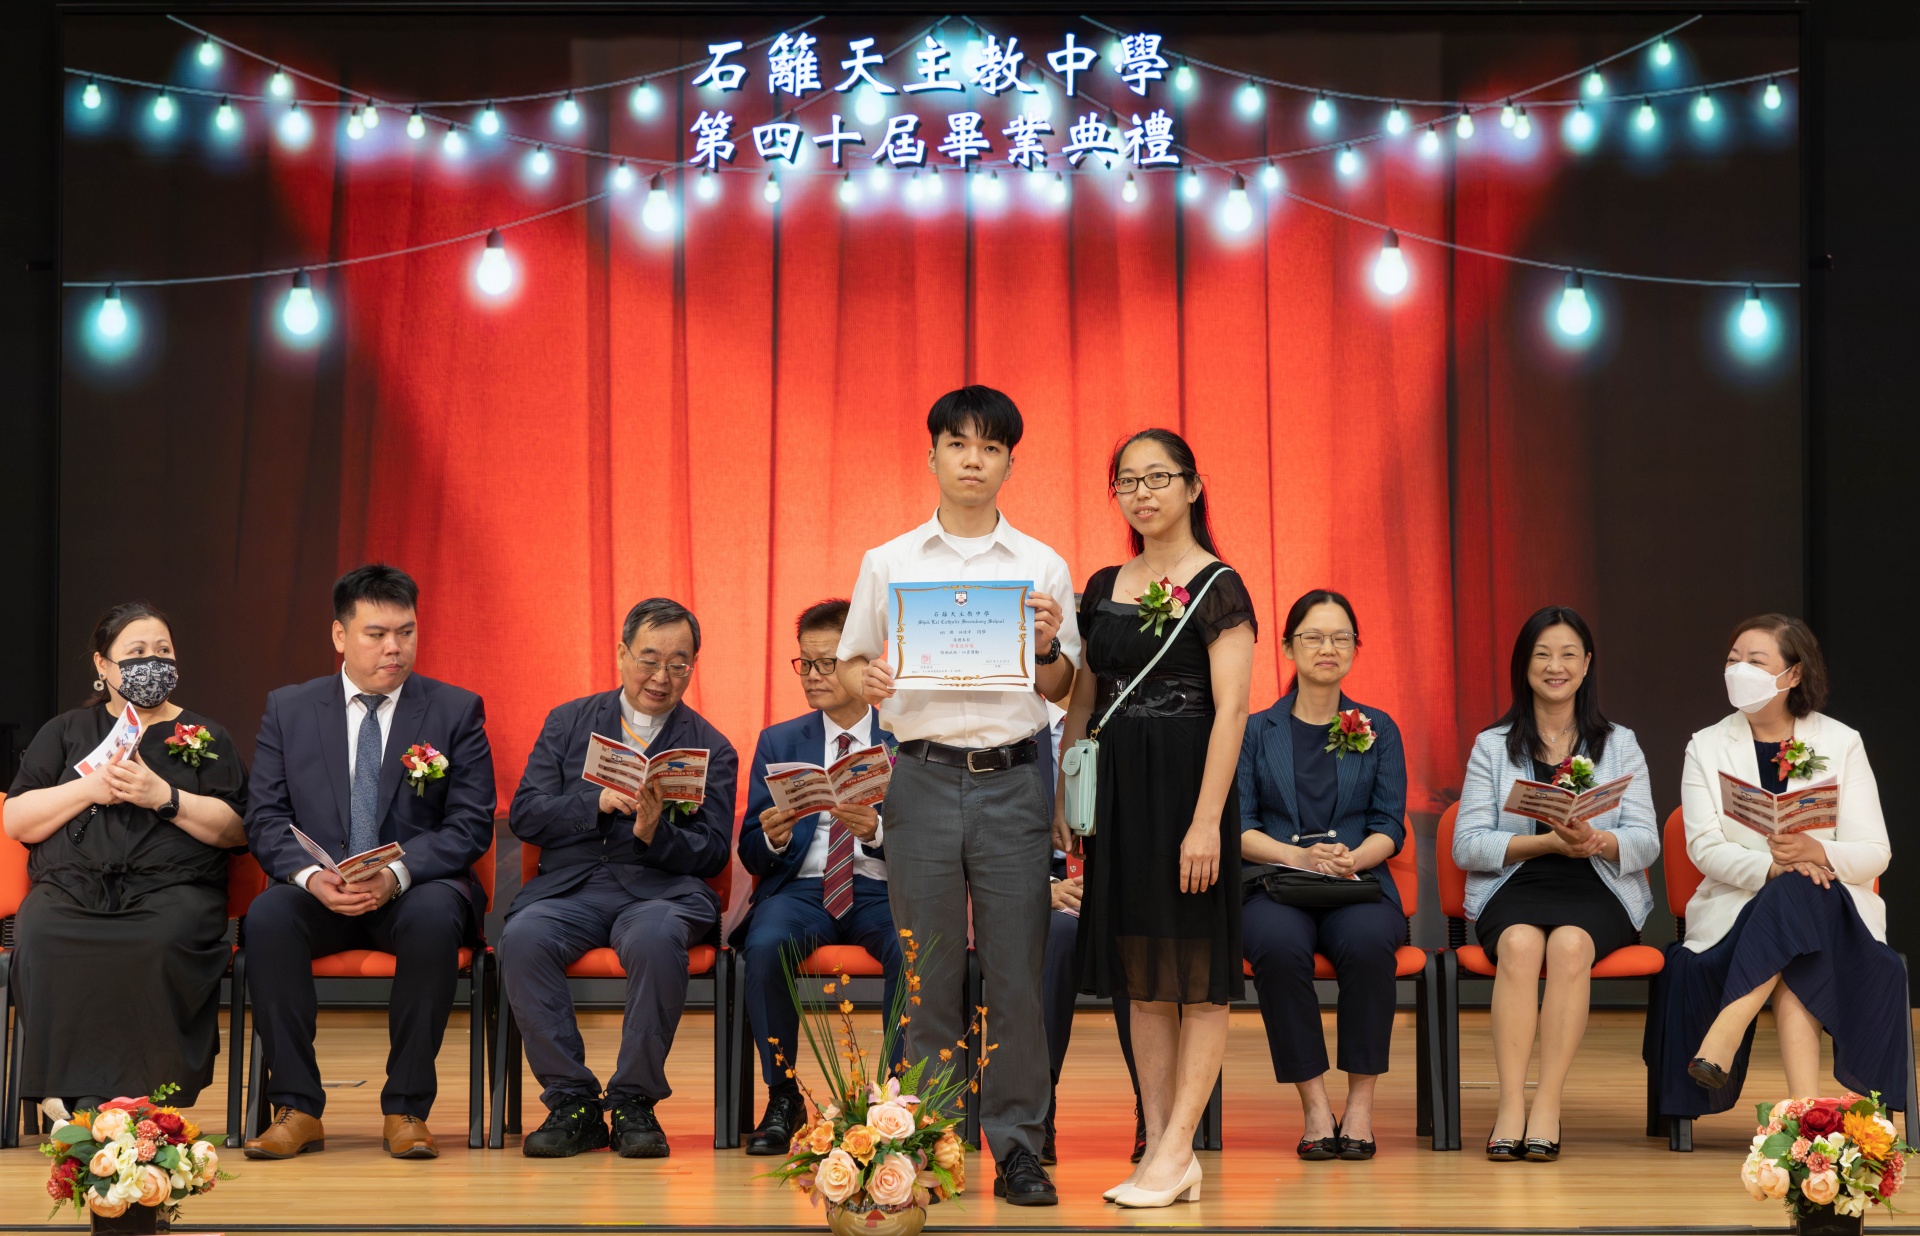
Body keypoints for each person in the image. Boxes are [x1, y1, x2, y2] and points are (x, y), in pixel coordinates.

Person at [836, 386, 1079, 1206]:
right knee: (928, 975)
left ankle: (1018, 1146)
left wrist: (1046, 646)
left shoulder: (1041, 564)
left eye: (991, 447)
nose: (974, 460)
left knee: (1015, 977)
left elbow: (1065, 685)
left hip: (1013, 780)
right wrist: (864, 680)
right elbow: (850, 666)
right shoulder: (889, 561)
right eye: (959, 444)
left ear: (1010, 462)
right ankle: (927, 1146)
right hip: (920, 778)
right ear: (932, 454)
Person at [1058, 428, 1254, 1209]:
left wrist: (1206, 822)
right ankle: (1166, 1148)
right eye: (1127, 481)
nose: (1141, 493)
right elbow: (1084, 695)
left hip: (1185, 793)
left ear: (1194, 486)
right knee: (1142, 977)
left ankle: (1176, 1149)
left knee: (1198, 976)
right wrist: (1066, 791)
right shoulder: (1105, 582)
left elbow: (1232, 710)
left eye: (1158, 477)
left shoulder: (1219, 585)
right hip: (1117, 796)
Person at [243, 564, 496, 1161]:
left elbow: (470, 823)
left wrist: (396, 875)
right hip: (320, 891)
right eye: (377, 634)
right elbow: (265, 818)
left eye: (406, 632)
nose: (394, 648)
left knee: (434, 918)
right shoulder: (290, 708)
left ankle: (406, 1108)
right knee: (268, 918)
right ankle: (296, 1108)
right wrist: (311, 877)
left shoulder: (454, 710)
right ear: (339, 635)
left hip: (414, 889)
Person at [499, 597, 738, 1159]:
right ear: (622, 654)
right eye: (649, 659)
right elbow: (526, 814)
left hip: (660, 892)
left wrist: (657, 832)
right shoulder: (568, 722)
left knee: (656, 939)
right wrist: (597, 802)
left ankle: (634, 1100)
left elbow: (711, 852)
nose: (661, 677)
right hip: (571, 888)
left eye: (678, 664)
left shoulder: (711, 746)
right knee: (524, 938)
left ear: (693, 666)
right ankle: (572, 1102)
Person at [1647, 614, 1901, 1119]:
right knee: (1796, 894)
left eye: (1755, 662)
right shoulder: (1706, 745)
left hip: (1837, 916)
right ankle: (1807, 1112)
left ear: (1793, 674)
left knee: (1803, 889)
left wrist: (1816, 852)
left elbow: (1876, 851)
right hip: (1739, 912)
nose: (1739, 670)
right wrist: (1773, 869)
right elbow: (1704, 848)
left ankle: (1727, 1029)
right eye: (1732, 660)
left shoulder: (1841, 742)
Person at [4, 603, 248, 1111]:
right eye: (136, 653)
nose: (152, 663)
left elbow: (236, 830)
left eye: (163, 651)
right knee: (44, 931)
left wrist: (164, 796)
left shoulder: (207, 736)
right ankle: (69, 1094)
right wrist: (88, 788)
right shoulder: (66, 730)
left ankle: (143, 1103)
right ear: (103, 664)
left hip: (173, 892)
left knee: (160, 940)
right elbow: (17, 820)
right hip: (70, 889)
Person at [1454, 606, 1658, 1163]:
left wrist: (1599, 840)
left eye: (1568, 654)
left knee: (1569, 945)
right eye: (1542, 654)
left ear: (1587, 664)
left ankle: (1547, 1102)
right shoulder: (1492, 745)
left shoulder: (1620, 743)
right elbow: (1467, 844)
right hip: (1517, 879)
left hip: (1597, 885)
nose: (1555, 666)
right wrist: (1545, 843)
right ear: (1524, 665)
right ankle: (1509, 1105)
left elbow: (1645, 840)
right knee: (1520, 944)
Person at [1237, 590, 1406, 1163]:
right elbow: (1240, 826)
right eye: (1313, 636)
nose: (1327, 647)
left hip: (1356, 883)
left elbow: (1389, 824)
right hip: (1274, 884)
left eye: (1340, 637)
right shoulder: (1255, 730)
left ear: (1356, 648)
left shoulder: (1379, 728)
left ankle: (1359, 1107)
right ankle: (1314, 1106)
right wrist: (1299, 856)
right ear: (1288, 647)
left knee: (1370, 944)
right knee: (1278, 948)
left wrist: (1353, 858)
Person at [736, 599, 902, 1156]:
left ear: (865, 663)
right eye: (804, 663)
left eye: (826, 663)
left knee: (915, 948)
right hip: (801, 890)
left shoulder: (905, 736)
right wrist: (774, 838)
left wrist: (877, 832)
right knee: (764, 946)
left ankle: (895, 1102)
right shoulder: (780, 741)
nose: (811, 676)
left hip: (880, 886)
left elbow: (933, 840)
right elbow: (751, 852)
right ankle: (783, 1095)